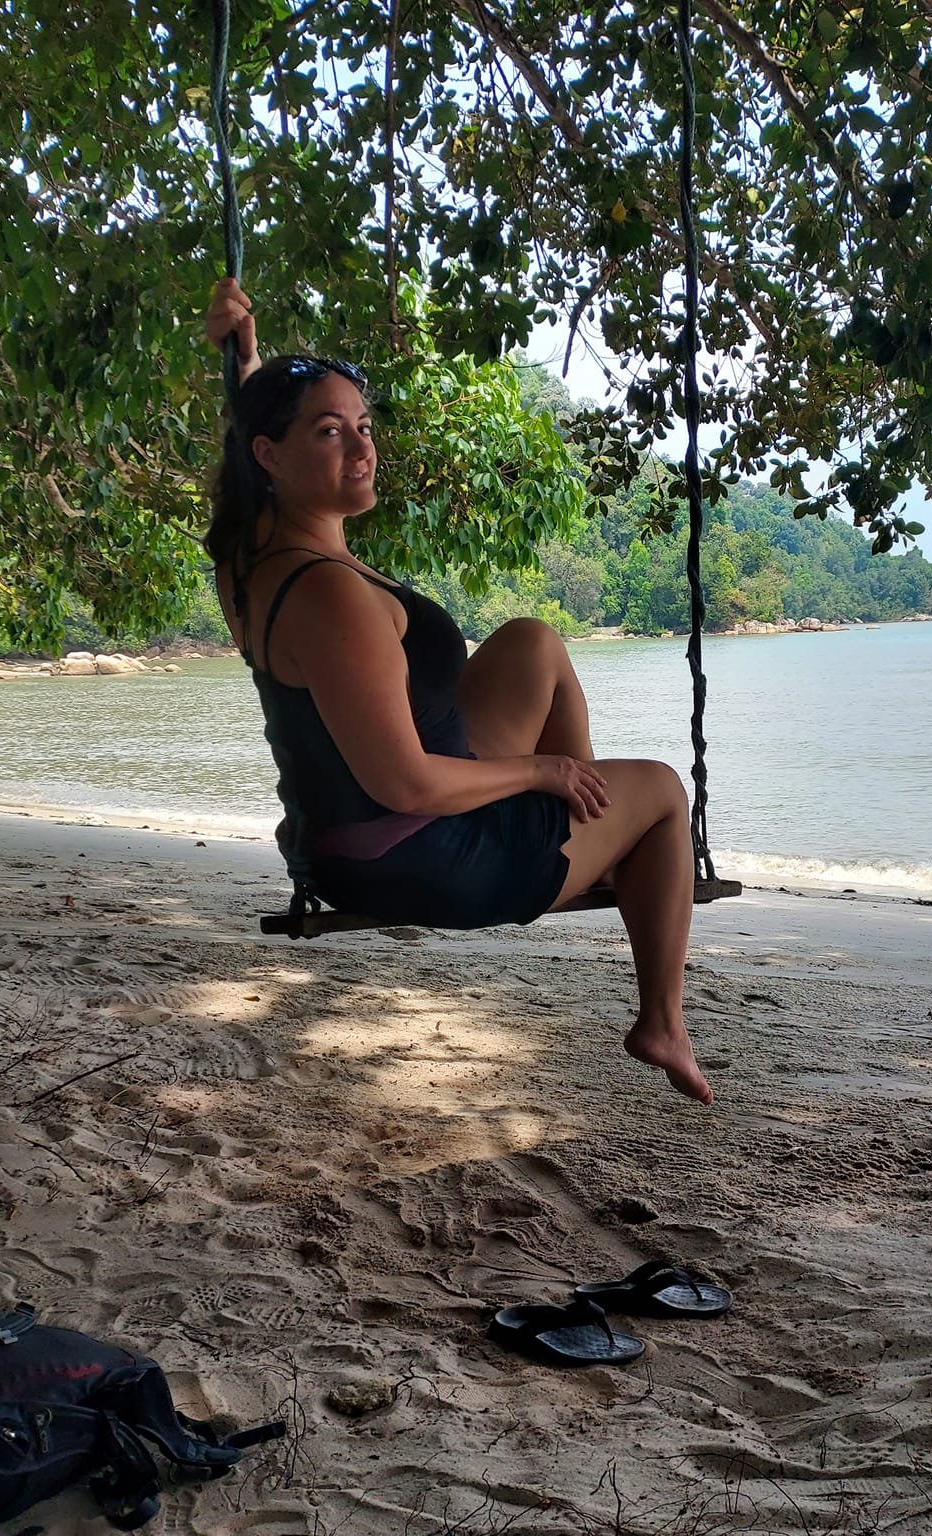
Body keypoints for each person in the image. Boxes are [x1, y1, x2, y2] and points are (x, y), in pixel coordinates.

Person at [203, 279, 713, 1104]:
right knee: (659, 791)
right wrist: (545, 772)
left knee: (533, 643)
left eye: (363, 427)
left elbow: (251, 445)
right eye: (330, 432)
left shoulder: (249, 559)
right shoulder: (330, 593)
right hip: (421, 852)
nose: (361, 448)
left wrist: (244, 362)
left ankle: (581, 840)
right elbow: (405, 784)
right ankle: (662, 1019)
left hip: (359, 836)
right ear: (271, 456)